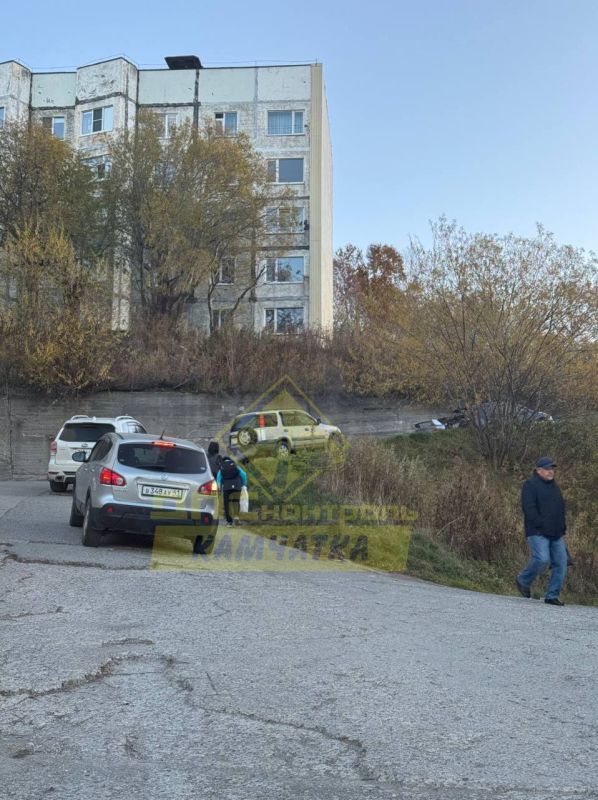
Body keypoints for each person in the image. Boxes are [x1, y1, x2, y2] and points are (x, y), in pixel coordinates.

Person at [516, 456, 568, 606]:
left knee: (561, 563)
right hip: (537, 531)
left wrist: (562, 527)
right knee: (542, 559)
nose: (551, 471)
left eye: (552, 469)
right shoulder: (530, 485)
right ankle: (523, 580)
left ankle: (552, 595)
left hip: (556, 533)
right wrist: (540, 524)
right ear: (538, 470)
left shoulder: (555, 487)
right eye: (547, 468)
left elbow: (560, 509)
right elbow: (529, 508)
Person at [216, 456, 248, 527]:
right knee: (236, 502)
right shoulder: (235, 465)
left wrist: (220, 489)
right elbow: (244, 475)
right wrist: (243, 484)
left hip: (226, 488)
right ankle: (236, 518)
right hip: (237, 486)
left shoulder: (222, 467)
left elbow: (218, 480)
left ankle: (229, 522)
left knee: (227, 504)